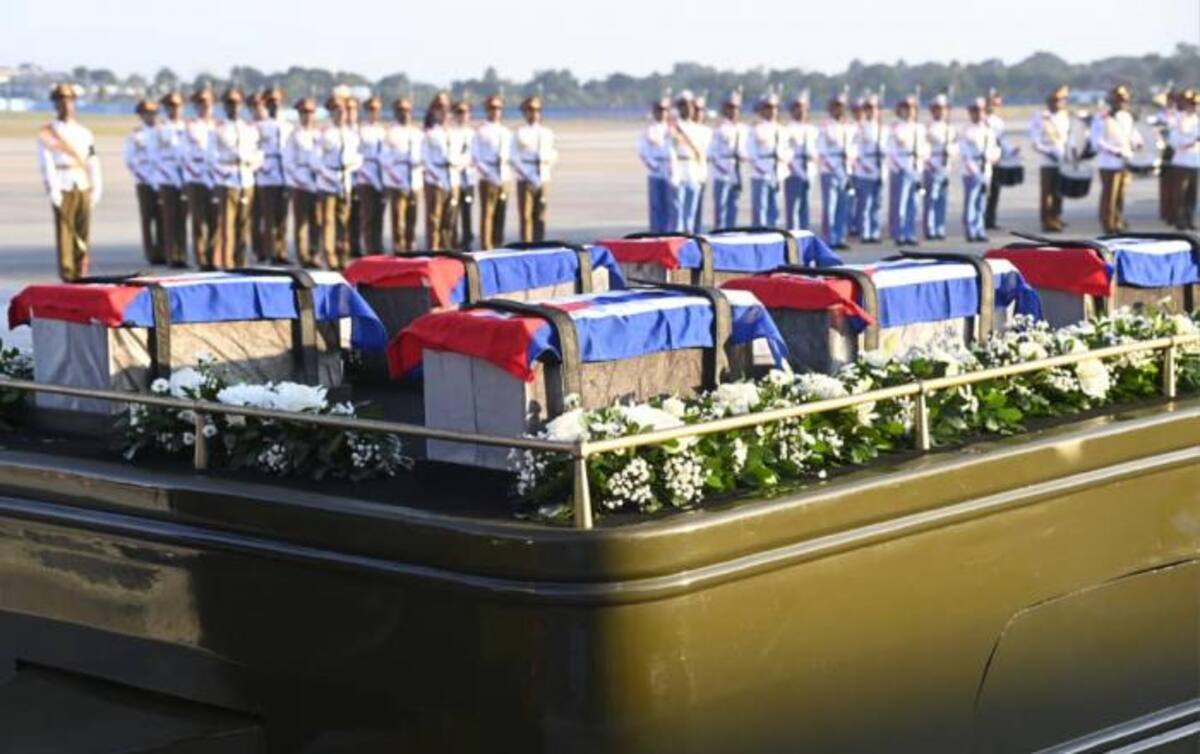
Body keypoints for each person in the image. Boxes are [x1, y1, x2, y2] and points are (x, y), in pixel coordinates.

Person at [37, 83, 101, 281]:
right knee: (65, 232)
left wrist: (97, 185)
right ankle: (67, 273)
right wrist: (53, 188)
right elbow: (46, 163)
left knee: (83, 230)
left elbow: (92, 160)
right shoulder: (47, 133)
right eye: (61, 101)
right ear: (55, 104)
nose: (65, 105)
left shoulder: (84, 132)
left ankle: (81, 271)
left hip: (82, 183)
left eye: (69, 100)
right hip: (62, 183)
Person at [210, 88, 262, 270]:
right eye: (230, 103)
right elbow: (211, 157)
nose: (234, 107)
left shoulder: (250, 128)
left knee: (244, 224)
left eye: (237, 103)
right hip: (228, 180)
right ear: (224, 106)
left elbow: (259, 153)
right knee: (227, 226)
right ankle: (228, 264)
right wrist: (226, 170)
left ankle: (241, 262)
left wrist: (250, 163)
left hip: (246, 178)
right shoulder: (218, 129)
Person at [315, 95, 362, 269]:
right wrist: (328, 175)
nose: (341, 114)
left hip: (345, 181)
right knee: (328, 221)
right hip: (328, 181)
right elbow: (316, 159)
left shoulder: (351, 134)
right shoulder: (325, 134)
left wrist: (351, 166)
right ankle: (330, 257)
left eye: (343, 111)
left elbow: (358, 156)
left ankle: (343, 254)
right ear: (331, 113)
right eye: (337, 110)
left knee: (344, 220)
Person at [1092, 84, 1143, 234]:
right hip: (1109, 163)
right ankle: (1107, 223)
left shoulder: (1126, 117)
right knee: (1110, 195)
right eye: (1119, 100)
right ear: (1112, 101)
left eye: (1125, 100)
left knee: (1121, 194)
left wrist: (1137, 142)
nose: (1123, 103)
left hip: (1125, 161)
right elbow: (1097, 142)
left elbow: (1132, 134)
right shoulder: (1101, 118)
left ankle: (1117, 220)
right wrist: (1115, 151)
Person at [254, 86, 292, 264]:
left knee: (282, 217)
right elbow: (254, 148)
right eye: (270, 102)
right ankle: (270, 252)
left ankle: (281, 251)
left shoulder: (287, 125)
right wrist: (261, 166)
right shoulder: (259, 126)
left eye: (276, 101)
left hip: (284, 173)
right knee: (268, 217)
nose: (274, 105)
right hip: (267, 173)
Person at [284, 97, 322, 268]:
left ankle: (314, 252)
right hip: (300, 180)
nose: (307, 115)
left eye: (310, 112)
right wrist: (298, 179)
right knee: (301, 221)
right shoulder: (294, 135)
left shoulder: (320, 134)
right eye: (304, 112)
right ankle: (302, 255)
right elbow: (288, 161)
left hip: (319, 180)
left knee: (317, 219)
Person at [512, 96, 556, 242]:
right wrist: (528, 175)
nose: (534, 113)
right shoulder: (520, 132)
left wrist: (546, 167)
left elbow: (553, 153)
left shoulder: (547, 132)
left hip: (542, 176)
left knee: (540, 214)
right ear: (525, 112)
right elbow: (513, 157)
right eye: (530, 110)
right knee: (526, 216)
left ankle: (539, 243)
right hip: (525, 176)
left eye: (537, 110)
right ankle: (526, 245)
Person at [381, 97, 423, 253]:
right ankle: (398, 248)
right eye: (400, 110)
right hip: (397, 179)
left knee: (413, 216)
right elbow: (384, 158)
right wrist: (395, 170)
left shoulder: (417, 133)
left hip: (415, 179)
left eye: (407, 110)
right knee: (398, 217)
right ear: (395, 113)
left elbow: (424, 154)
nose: (404, 113)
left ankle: (411, 245)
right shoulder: (390, 133)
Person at [125, 98, 163, 264]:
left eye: (153, 113)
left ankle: (163, 251)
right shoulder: (135, 136)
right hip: (144, 181)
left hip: (162, 179)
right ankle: (150, 253)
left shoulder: (162, 132)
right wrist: (143, 177)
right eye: (146, 113)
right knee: (147, 218)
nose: (150, 116)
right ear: (141, 115)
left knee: (162, 217)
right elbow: (130, 160)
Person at [471, 95, 512, 249]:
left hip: (504, 175)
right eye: (492, 108)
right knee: (487, 213)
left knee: (501, 213)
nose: (495, 111)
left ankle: (498, 244)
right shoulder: (481, 131)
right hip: (488, 175)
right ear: (487, 110)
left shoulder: (506, 131)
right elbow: (475, 156)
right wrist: (488, 174)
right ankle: (486, 246)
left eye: (498, 108)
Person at [184, 87, 218, 269]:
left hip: (217, 177)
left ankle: (214, 256)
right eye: (201, 103)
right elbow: (183, 153)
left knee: (215, 219)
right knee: (199, 219)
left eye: (207, 102)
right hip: (196, 176)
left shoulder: (219, 125)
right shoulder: (190, 126)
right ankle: (201, 257)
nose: (204, 106)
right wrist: (194, 172)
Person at [1029, 85, 1072, 233]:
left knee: (1059, 192)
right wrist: (1048, 152)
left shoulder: (1064, 117)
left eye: (1060, 100)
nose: (1057, 103)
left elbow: (1067, 138)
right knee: (1047, 193)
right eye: (1054, 100)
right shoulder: (1040, 117)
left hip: (1062, 160)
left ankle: (1056, 217)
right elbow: (1035, 141)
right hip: (1047, 161)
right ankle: (1046, 221)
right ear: (1049, 102)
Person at [154, 92, 189, 267]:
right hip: (167, 177)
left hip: (185, 176)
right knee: (169, 219)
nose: (174, 110)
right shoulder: (160, 129)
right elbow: (154, 156)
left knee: (182, 218)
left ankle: (182, 255)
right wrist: (166, 176)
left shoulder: (187, 127)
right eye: (171, 107)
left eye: (177, 106)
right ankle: (171, 256)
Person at [816, 93, 855, 250]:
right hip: (830, 169)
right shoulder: (825, 127)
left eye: (841, 107)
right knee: (830, 207)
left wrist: (849, 159)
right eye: (836, 106)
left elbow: (854, 147)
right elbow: (821, 149)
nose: (839, 110)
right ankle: (829, 238)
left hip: (845, 169)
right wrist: (834, 166)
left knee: (843, 206)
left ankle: (840, 237)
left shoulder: (848, 127)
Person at [886, 96, 927, 245]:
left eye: (912, 108)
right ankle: (900, 234)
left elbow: (924, 147)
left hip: (915, 167)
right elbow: (891, 149)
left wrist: (921, 158)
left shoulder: (919, 128)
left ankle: (910, 233)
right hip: (901, 167)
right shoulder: (896, 127)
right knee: (900, 204)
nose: (909, 111)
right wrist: (898, 166)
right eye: (906, 108)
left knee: (913, 204)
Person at [959, 98, 1001, 242]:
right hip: (971, 170)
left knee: (982, 202)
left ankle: (980, 229)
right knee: (971, 202)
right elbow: (964, 152)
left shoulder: (988, 130)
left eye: (981, 111)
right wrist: (974, 170)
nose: (978, 114)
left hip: (986, 168)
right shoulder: (966, 130)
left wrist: (992, 157)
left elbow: (996, 148)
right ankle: (970, 230)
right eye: (975, 111)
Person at [421, 94, 457, 250]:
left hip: (453, 177)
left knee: (450, 218)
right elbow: (424, 158)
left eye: (446, 108)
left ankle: (447, 250)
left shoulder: (455, 133)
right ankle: (434, 251)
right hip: (435, 178)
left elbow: (465, 154)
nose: (443, 111)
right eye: (439, 108)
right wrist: (436, 175)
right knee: (434, 219)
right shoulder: (429, 133)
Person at [708, 91, 746, 229]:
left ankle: (731, 230)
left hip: (735, 170)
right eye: (730, 108)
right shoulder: (719, 129)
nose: (733, 111)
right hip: (722, 170)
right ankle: (720, 232)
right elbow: (712, 152)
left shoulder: (742, 128)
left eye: (735, 108)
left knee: (733, 204)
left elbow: (745, 150)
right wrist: (721, 167)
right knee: (721, 206)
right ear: (724, 110)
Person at [638, 97, 676, 232]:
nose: (662, 113)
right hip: (655, 168)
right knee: (656, 205)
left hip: (669, 168)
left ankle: (668, 232)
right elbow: (642, 151)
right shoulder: (649, 130)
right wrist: (652, 165)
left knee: (670, 205)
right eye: (659, 110)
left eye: (664, 110)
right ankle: (656, 232)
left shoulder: (672, 129)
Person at [671, 92, 707, 233]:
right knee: (678, 213)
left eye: (690, 105)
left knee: (691, 213)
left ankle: (689, 238)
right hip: (679, 169)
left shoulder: (699, 128)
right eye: (683, 105)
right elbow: (671, 150)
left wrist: (701, 174)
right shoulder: (675, 127)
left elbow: (701, 153)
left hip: (693, 171)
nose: (687, 109)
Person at [852, 94, 885, 243]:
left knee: (877, 203)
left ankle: (874, 232)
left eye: (874, 108)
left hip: (878, 168)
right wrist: (865, 164)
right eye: (868, 108)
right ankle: (865, 232)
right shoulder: (860, 127)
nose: (871, 111)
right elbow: (856, 149)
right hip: (865, 168)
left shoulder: (882, 128)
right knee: (865, 203)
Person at [356, 95, 387, 254]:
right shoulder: (361, 131)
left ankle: (378, 247)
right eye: (371, 109)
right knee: (368, 214)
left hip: (382, 174)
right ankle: (369, 248)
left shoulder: (383, 130)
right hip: (367, 174)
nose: (374, 112)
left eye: (376, 109)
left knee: (379, 214)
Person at [923, 94, 955, 240]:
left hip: (945, 165)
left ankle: (939, 227)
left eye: (942, 109)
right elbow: (924, 148)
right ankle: (930, 228)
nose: (940, 111)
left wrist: (950, 150)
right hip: (932, 165)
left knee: (942, 199)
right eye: (937, 109)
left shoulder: (950, 128)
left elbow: (956, 146)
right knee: (931, 199)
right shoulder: (927, 127)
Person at [784, 93, 818, 231]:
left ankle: (804, 233)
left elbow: (817, 149)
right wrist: (794, 168)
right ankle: (793, 235)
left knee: (806, 206)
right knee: (793, 207)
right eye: (797, 107)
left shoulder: (813, 129)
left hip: (809, 170)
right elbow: (786, 151)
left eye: (803, 107)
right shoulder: (787, 129)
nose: (800, 110)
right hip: (794, 170)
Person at [1168, 88, 1198, 230]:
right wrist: (1188, 143)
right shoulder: (1178, 119)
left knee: (1192, 194)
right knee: (1180, 194)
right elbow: (1173, 140)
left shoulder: (1197, 120)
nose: (1193, 107)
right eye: (1191, 104)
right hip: (1181, 161)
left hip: (1195, 161)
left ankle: (1189, 219)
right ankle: (1179, 221)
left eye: (1195, 104)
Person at [449, 100, 476, 249]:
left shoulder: (473, 134)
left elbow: (476, 155)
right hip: (454, 176)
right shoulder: (450, 133)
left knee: (467, 208)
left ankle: (467, 238)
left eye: (465, 112)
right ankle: (452, 240)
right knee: (453, 210)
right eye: (459, 112)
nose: (462, 115)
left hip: (469, 176)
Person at [983, 92, 1009, 230]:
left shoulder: (999, 122)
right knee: (983, 192)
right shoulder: (982, 120)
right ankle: (980, 219)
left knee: (995, 191)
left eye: (997, 105)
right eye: (992, 104)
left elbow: (1003, 141)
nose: (994, 107)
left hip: (997, 159)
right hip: (984, 161)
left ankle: (990, 219)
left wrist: (1011, 151)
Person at [689, 95, 713, 232]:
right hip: (688, 173)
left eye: (701, 110)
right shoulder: (685, 129)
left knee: (698, 208)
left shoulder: (707, 131)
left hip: (701, 172)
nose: (698, 113)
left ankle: (696, 232)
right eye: (696, 110)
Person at [345, 97, 365, 258]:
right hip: (344, 176)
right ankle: (344, 246)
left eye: (353, 109)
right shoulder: (340, 131)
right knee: (344, 214)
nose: (350, 113)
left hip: (362, 177)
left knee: (358, 213)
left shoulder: (361, 130)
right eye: (348, 109)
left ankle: (355, 245)